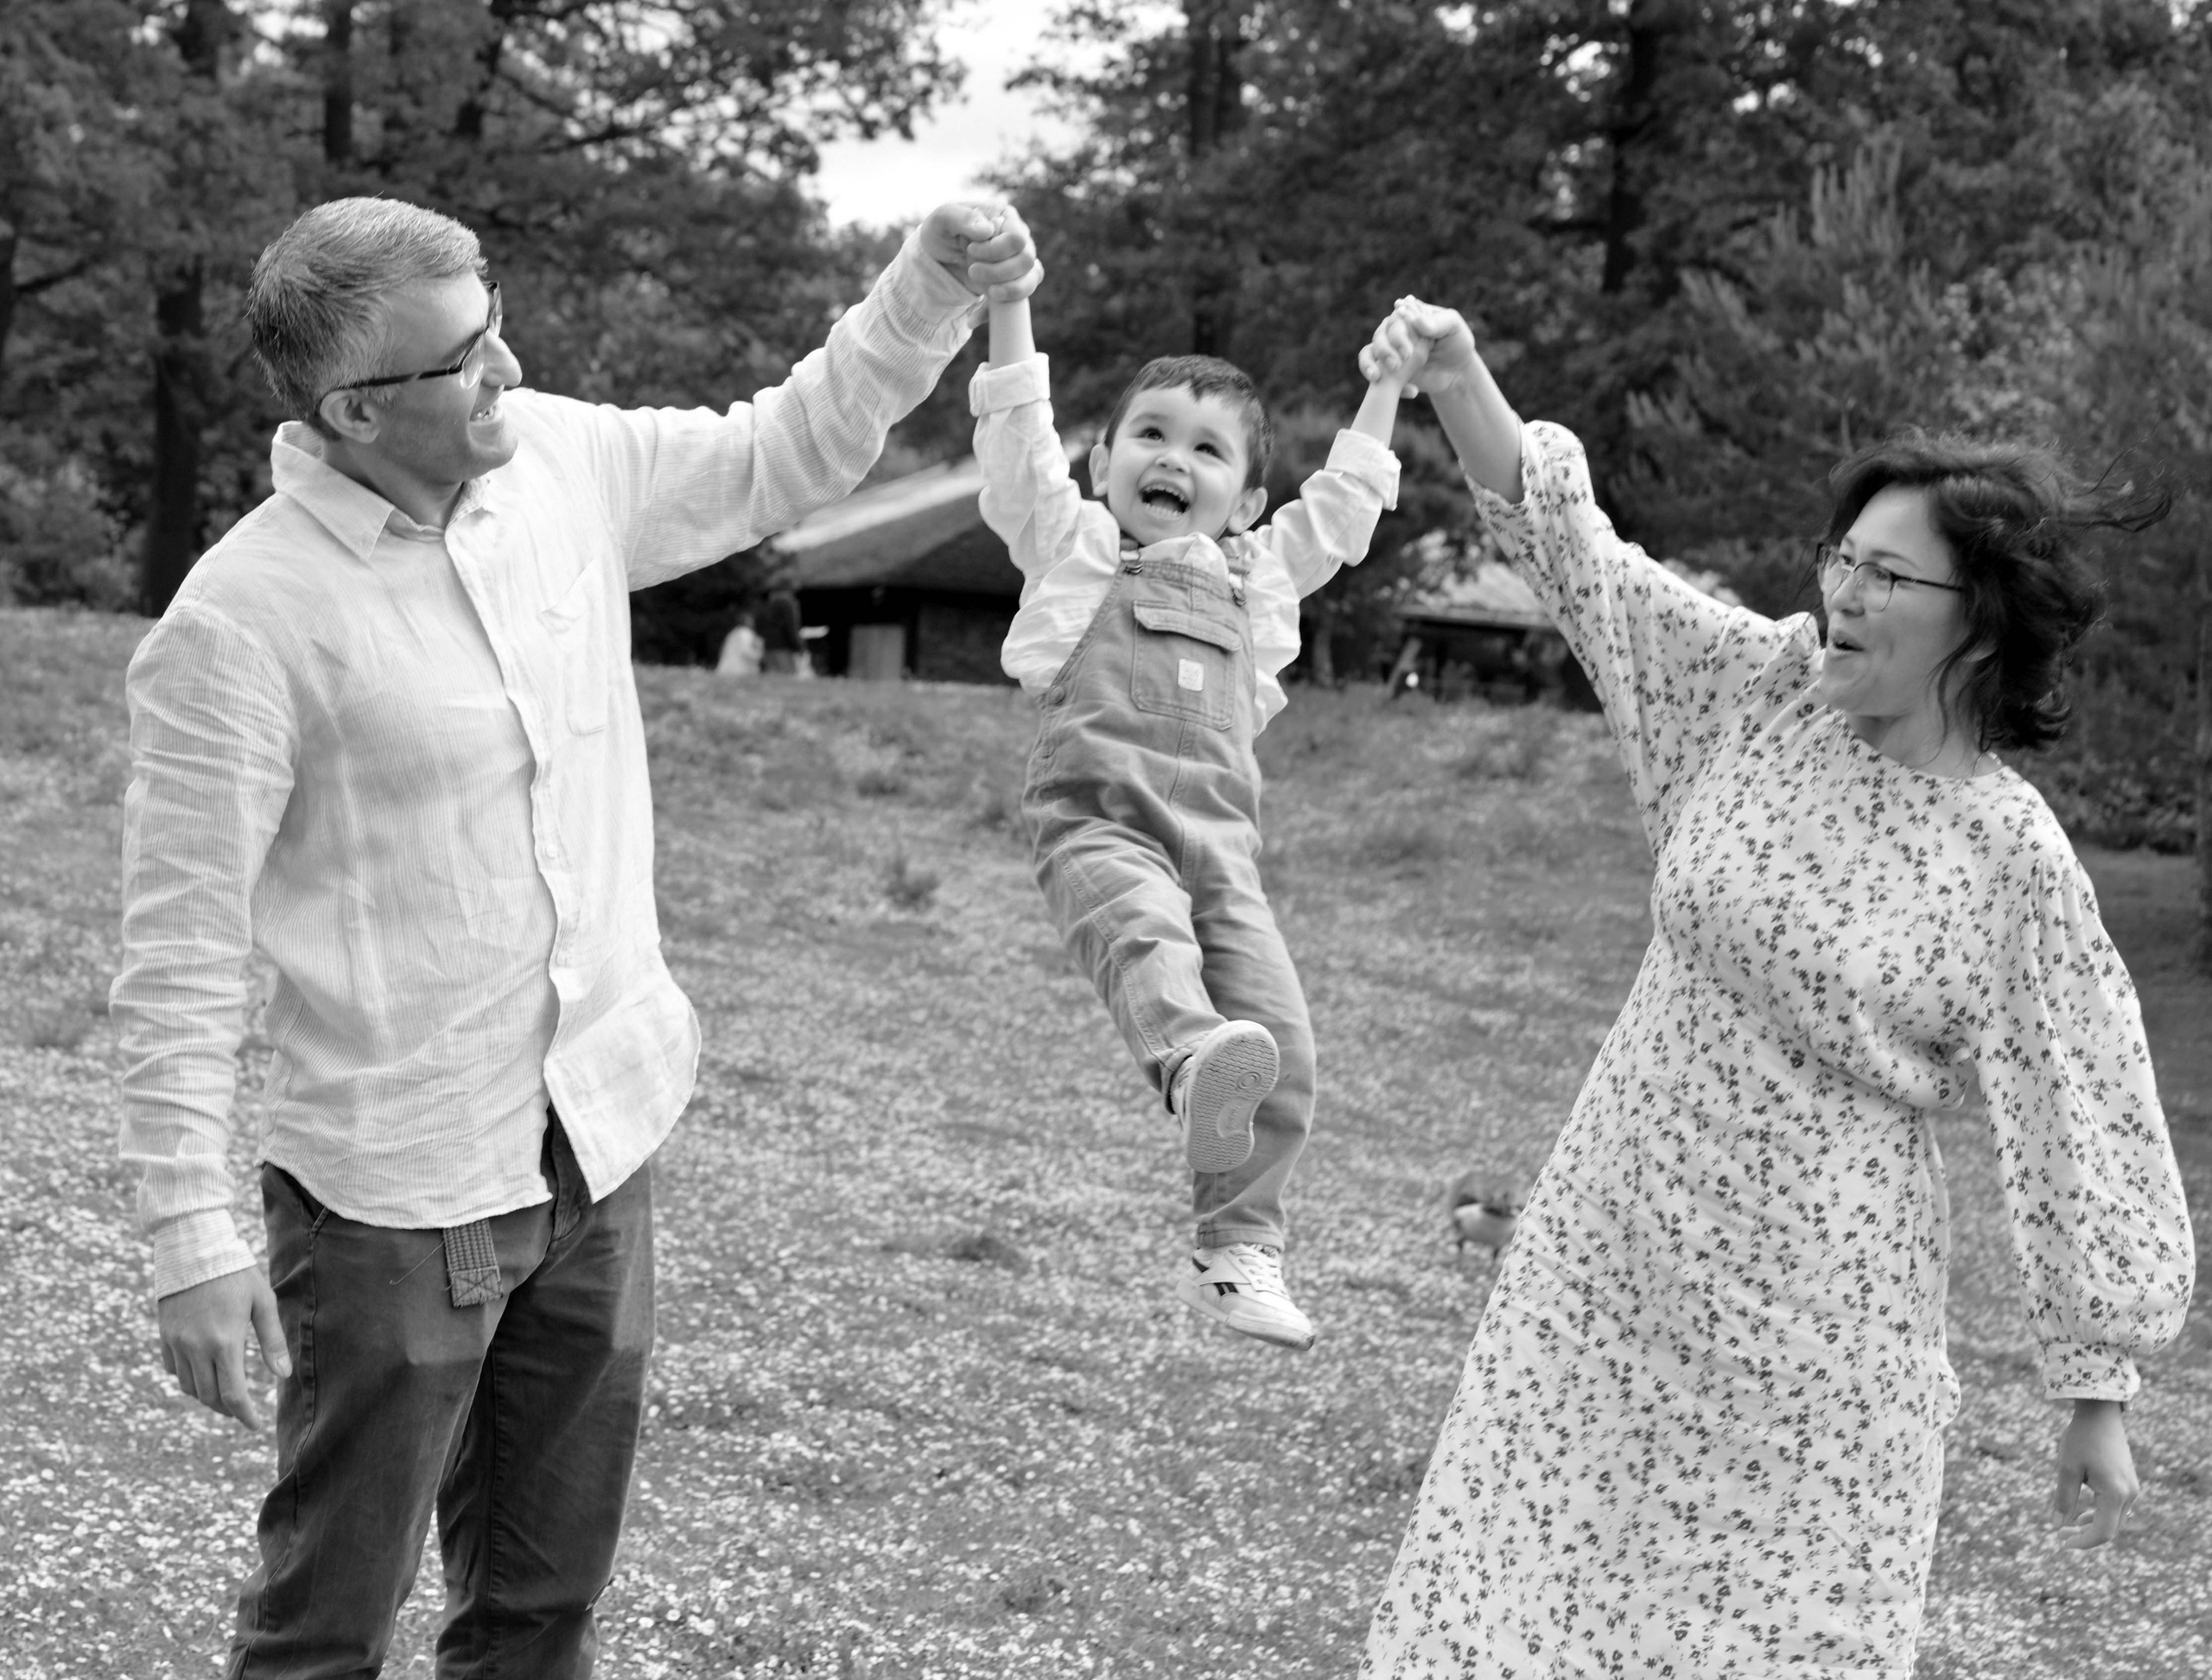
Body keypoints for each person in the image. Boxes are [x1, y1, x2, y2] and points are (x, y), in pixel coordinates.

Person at [111, 193, 1037, 1678]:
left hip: (595, 1137)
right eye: (467, 355)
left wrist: (923, 286)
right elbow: (179, 952)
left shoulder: (558, 461)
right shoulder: (241, 621)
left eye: (495, 324)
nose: (511, 368)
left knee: (541, 1613)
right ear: (355, 406)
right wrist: (187, 1238)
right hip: (393, 1189)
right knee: (323, 1629)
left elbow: (779, 449)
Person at [1356, 298, 2195, 1676]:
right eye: (1840, 561)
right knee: (1515, 1606)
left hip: (1814, 1346)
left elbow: (2079, 1108)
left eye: (1885, 578)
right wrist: (1460, 378)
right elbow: (1586, 570)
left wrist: (2096, 1386)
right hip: (1605, 1275)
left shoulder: (2008, 857)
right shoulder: (1765, 699)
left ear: (1977, 618)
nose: (1841, 595)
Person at [969, 264, 1424, 1351]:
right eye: (1151, 436)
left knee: (1284, 1041)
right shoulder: (1075, 548)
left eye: (1208, 450)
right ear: (1103, 461)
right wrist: (1008, 301)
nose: (1174, 458)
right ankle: (1186, 1066)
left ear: (1248, 504)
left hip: (1224, 856)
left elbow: (1344, 510)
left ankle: (1237, 1251)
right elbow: (1015, 443)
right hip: (1098, 821)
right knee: (1147, 948)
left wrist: (1390, 386)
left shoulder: (1258, 583)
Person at [716, 610, 765, 676]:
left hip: (727, 668)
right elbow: (746, 651)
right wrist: (758, 654)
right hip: (740, 670)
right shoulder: (746, 633)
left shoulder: (733, 632)